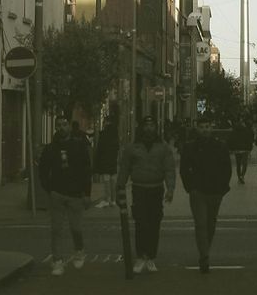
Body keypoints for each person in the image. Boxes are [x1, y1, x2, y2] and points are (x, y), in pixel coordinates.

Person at [118, 115, 176, 274]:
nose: (149, 128)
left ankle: (150, 256)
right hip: (139, 188)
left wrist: (170, 189)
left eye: (152, 125)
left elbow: (169, 169)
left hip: (156, 189)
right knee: (141, 222)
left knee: (154, 222)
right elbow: (124, 168)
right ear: (142, 128)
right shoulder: (132, 148)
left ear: (155, 128)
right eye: (146, 125)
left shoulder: (163, 148)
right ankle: (141, 256)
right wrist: (120, 187)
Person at [38, 116, 93, 276]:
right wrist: (50, 189)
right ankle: (57, 260)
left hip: (75, 194)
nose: (61, 127)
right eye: (58, 125)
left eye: (64, 124)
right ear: (55, 128)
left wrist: (87, 193)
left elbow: (86, 170)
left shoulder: (78, 146)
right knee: (56, 229)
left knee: (75, 228)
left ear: (69, 126)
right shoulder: (51, 148)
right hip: (57, 194)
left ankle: (79, 249)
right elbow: (43, 170)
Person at [179, 123, 232, 274]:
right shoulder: (190, 147)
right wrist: (190, 187)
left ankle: (204, 249)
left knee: (211, 223)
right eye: (202, 126)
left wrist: (223, 187)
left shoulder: (220, 146)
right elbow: (184, 169)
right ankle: (204, 256)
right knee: (201, 223)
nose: (205, 129)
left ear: (212, 128)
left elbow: (227, 168)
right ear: (197, 128)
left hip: (215, 191)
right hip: (198, 192)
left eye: (208, 126)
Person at [94, 116, 120, 208]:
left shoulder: (104, 134)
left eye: (104, 122)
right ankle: (113, 200)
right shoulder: (115, 133)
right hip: (113, 160)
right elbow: (117, 147)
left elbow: (100, 149)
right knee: (113, 180)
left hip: (105, 160)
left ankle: (107, 200)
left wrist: (97, 163)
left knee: (106, 180)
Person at [229, 120, 255, 184]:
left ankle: (239, 176)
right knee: (244, 164)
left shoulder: (234, 131)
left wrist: (232, 148)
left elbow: (231, 140)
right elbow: (249, 140)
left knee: (238, 164)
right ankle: (242, 176)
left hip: (237, 150)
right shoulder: (246, 131)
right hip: (245, 149)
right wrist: (250, 149)